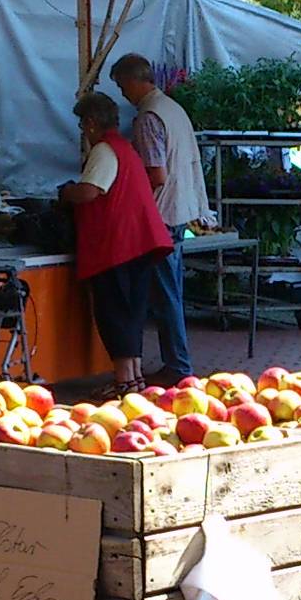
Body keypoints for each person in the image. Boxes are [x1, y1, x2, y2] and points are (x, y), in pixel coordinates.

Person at [62, 91, 177, 393]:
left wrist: (66, 192)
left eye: (81, 124)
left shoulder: (104, 150)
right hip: (137, 244)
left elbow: (90, 191)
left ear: (89, 123)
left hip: (117, 246)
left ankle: (124, 381)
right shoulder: (125, 148)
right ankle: (134, 378)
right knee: (132, 312)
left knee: (114, 312)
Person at [110, 54, 206, 384]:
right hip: (180, 209)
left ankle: (178, 366)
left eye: (122, 86)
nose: (123, 94)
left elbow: (157, 173)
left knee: (165, 295)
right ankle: (177, 363)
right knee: (171, 291)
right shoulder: (172, 108)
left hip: (161, 214)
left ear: (136, 81)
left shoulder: (149, 117)